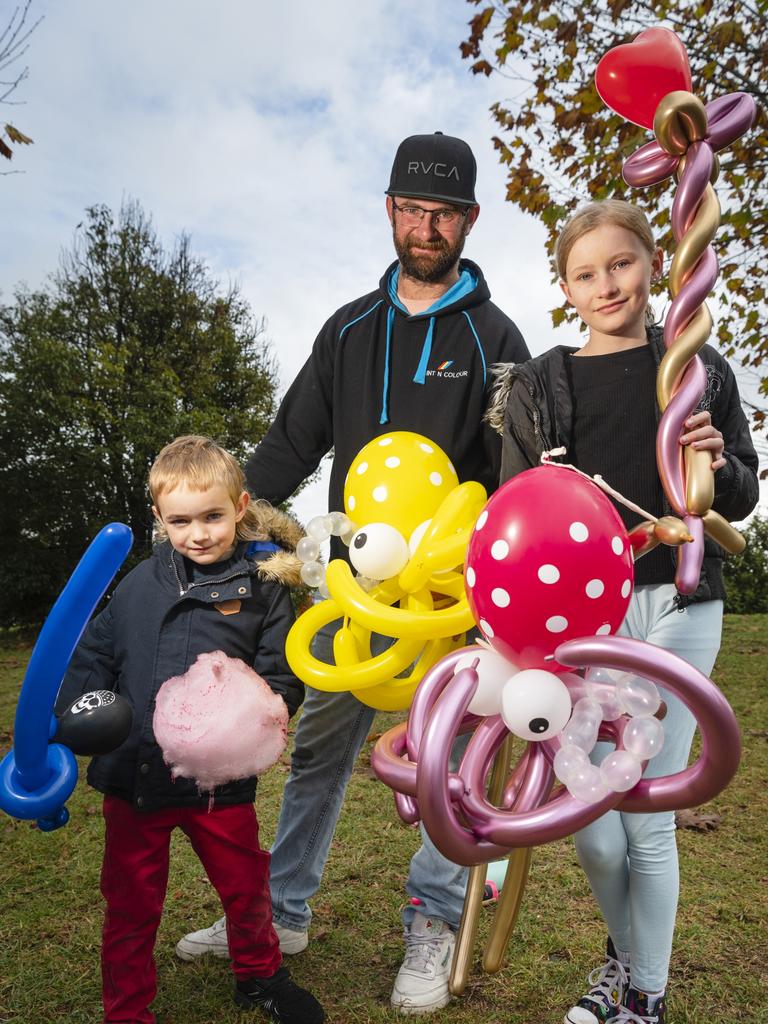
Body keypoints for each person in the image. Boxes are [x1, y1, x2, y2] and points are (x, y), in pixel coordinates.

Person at [176, 131, 530, 1014]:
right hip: (349, 587)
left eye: (443, 213)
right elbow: (293, 439)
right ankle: (279, 911)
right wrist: (224, 515)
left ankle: (433, 917)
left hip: (448, 598)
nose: (425, 227)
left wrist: (502, 586)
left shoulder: (496, 335)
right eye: (411, 209)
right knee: (319, 757)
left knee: (451, 765)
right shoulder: (348, 328)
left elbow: (515, 470)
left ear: (469, 221)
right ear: (389, 210)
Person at [489, 199, 759, 1024]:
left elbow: (741, 498)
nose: (607, 285)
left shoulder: (694, 364)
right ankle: (625, 956)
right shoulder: (542, 381)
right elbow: (514, 504)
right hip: (582, 625)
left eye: (622, 263)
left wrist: (716, 461)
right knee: (592, 824)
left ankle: (645, 995)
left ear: (652, 263)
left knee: (643, 817)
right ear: (564, 286)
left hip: (680, 603)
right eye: (585, 272)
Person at [56, 436, 325, 1024]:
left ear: (240, 505)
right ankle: (127, 1010)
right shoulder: (136, 586)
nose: (198, 533)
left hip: (217, 787)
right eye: (180, 520)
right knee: (130, 903)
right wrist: (73, 709)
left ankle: (259, 976)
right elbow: (95, 654)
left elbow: (284, 673)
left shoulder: (265, 592)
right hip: (135, 775)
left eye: (212, 516)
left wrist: (267, 711)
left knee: (245, 887)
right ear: (159, 519)